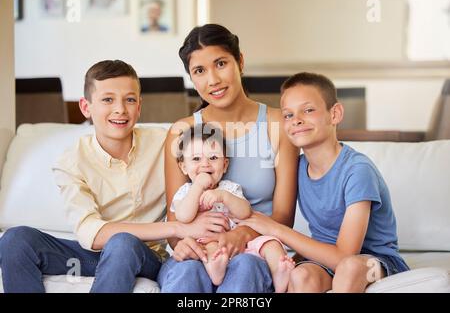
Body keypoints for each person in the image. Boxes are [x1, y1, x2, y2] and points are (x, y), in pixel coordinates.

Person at [0, 60, 206, 293]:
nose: (120, 109)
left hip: (145, 256)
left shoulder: (164, 143)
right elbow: (91, 233)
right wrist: (176, 228)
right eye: (107, 99)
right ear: (86, 107)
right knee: (15, 239)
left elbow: (207, 145)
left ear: (139, 106)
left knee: (123, 241)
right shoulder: (71, 161)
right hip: (92, 256)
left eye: (129, 99)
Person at [157, 24, 299, 293]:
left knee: (245, 269)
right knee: (186, 273)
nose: (213, 80)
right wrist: (183, 242)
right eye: (199, 71)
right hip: (199, 249)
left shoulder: (277, 124)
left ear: (240, 61)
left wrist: (241, 235)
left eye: (220, 63)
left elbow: (283, 216)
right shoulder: (181, 132)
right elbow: (175, 218)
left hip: (253, 251)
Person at [238, 72, 410, 293]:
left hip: (377, 262)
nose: (296, 120)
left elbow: (345, 256)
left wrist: (276, 229)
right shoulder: (298, 168)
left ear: (335, 114)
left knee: (349, 267)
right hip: (326, 261)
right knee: (300, 275)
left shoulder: (357, 171)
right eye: (288, 115)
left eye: (308, 110)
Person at [172, 124, 295, 292]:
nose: (205, 164)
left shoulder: (228, 188)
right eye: (196, 159)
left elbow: (245, 212)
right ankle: (215, 270)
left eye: (213, 158)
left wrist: (224, 197)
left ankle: (280, 273)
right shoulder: (186, 192)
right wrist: (198, 187)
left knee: (271, 243)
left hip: (242, 243)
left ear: (225, 165)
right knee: (210, 247)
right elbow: (183, 216)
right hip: (207, 241)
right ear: (183, 167)